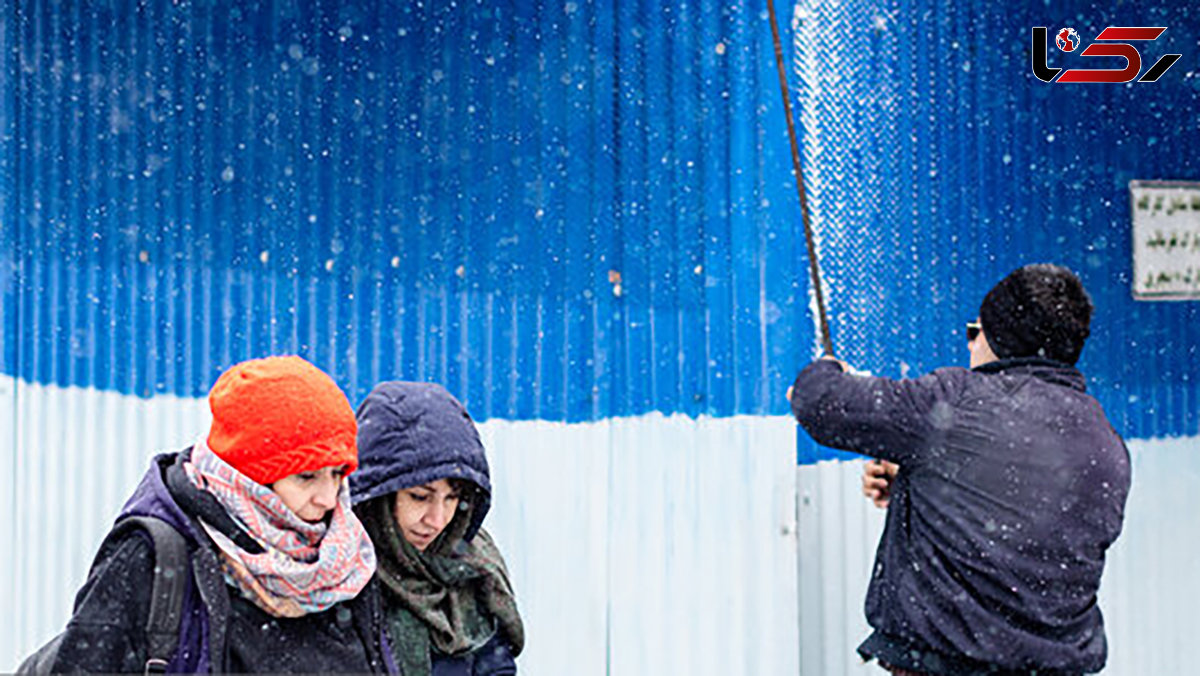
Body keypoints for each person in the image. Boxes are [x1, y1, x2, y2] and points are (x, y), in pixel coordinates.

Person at [788, 264, 1130, 676]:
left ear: (1000, 337)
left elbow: (819, 402)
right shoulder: (1104, 439)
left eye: (975, 331)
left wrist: (827, 367)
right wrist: (918, 484)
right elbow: (1027, 517)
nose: (970, 346)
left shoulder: (957, 401)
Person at [48, 356, 393, 673]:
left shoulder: (345, 560)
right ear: (247, 477)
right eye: (307, 476)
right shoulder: (153, 558)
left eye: (337, 474)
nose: (329, 498)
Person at [352, 381, 524, 676]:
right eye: (419, 497)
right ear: (378, 496)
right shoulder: (332, 577)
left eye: (453, 497)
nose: (437, 519)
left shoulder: (474, 569)